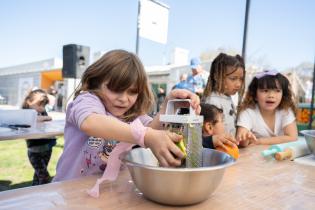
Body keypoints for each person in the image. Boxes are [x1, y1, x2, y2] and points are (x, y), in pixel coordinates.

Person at [53, 49, 200, 183]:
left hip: (107, 193)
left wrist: (168, 106)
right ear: (97, 83)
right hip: (69, 190)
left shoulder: (131, 115)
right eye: (115, 89)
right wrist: (146, 135)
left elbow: (151, 130)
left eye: (132, 92)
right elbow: (90, 122)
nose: (124, 99)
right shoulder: (87, 100)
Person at [236, 70, 298, 147]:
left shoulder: (285, 111)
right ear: (255, 95)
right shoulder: (248, 113)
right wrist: (245, 138)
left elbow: (292, 137)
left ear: (283, 94)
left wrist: (259, 141)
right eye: (265, 91)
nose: (271, 95)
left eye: (277, 91)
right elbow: (241, 141)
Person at [202, 53, 245, 136]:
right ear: (216, 77)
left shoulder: (227, 97)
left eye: (241, 79)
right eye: (233, 79)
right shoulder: (212, 101)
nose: (239, 84)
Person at [22, 89, 56, 185]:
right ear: (29, 102)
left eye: (44, 105)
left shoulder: (42, 111)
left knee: (38, 175)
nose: (42, 108)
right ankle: (40, 195)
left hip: (47, 146)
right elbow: (29, 120)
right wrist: (44, 118)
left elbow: (48, 119)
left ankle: (35, 194)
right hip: (34, 150)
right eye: (40, 105)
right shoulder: (25, 112)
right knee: (44, 176)